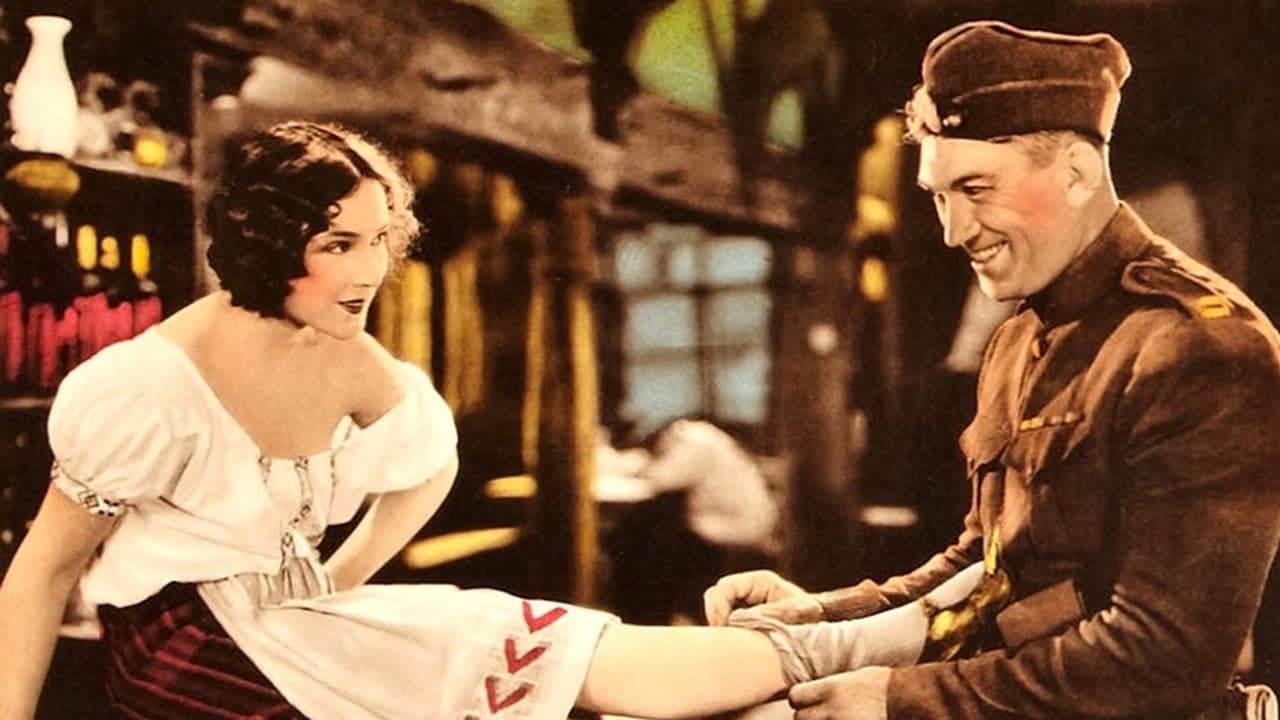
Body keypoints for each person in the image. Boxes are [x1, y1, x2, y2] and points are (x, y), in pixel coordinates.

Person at [0, 120, 808, 720]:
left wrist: (340, 580)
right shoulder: (148, 383)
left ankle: (847, 644)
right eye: (338, 244)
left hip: (293, 619)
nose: (370, 271)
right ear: (269, 243)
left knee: (498, 631)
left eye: (379, 240)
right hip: (179, 645)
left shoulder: (345, 352)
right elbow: (38, 575)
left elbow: (430, 462)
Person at [705, 20, 1280, 720]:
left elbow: (1166, 657)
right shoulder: (1017, 341)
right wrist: (825, 619)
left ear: (1076, 174)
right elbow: (986, 570)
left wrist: (901, 701)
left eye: (977, 189)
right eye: (939, 195)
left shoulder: (1203, 347)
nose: (954, 231)